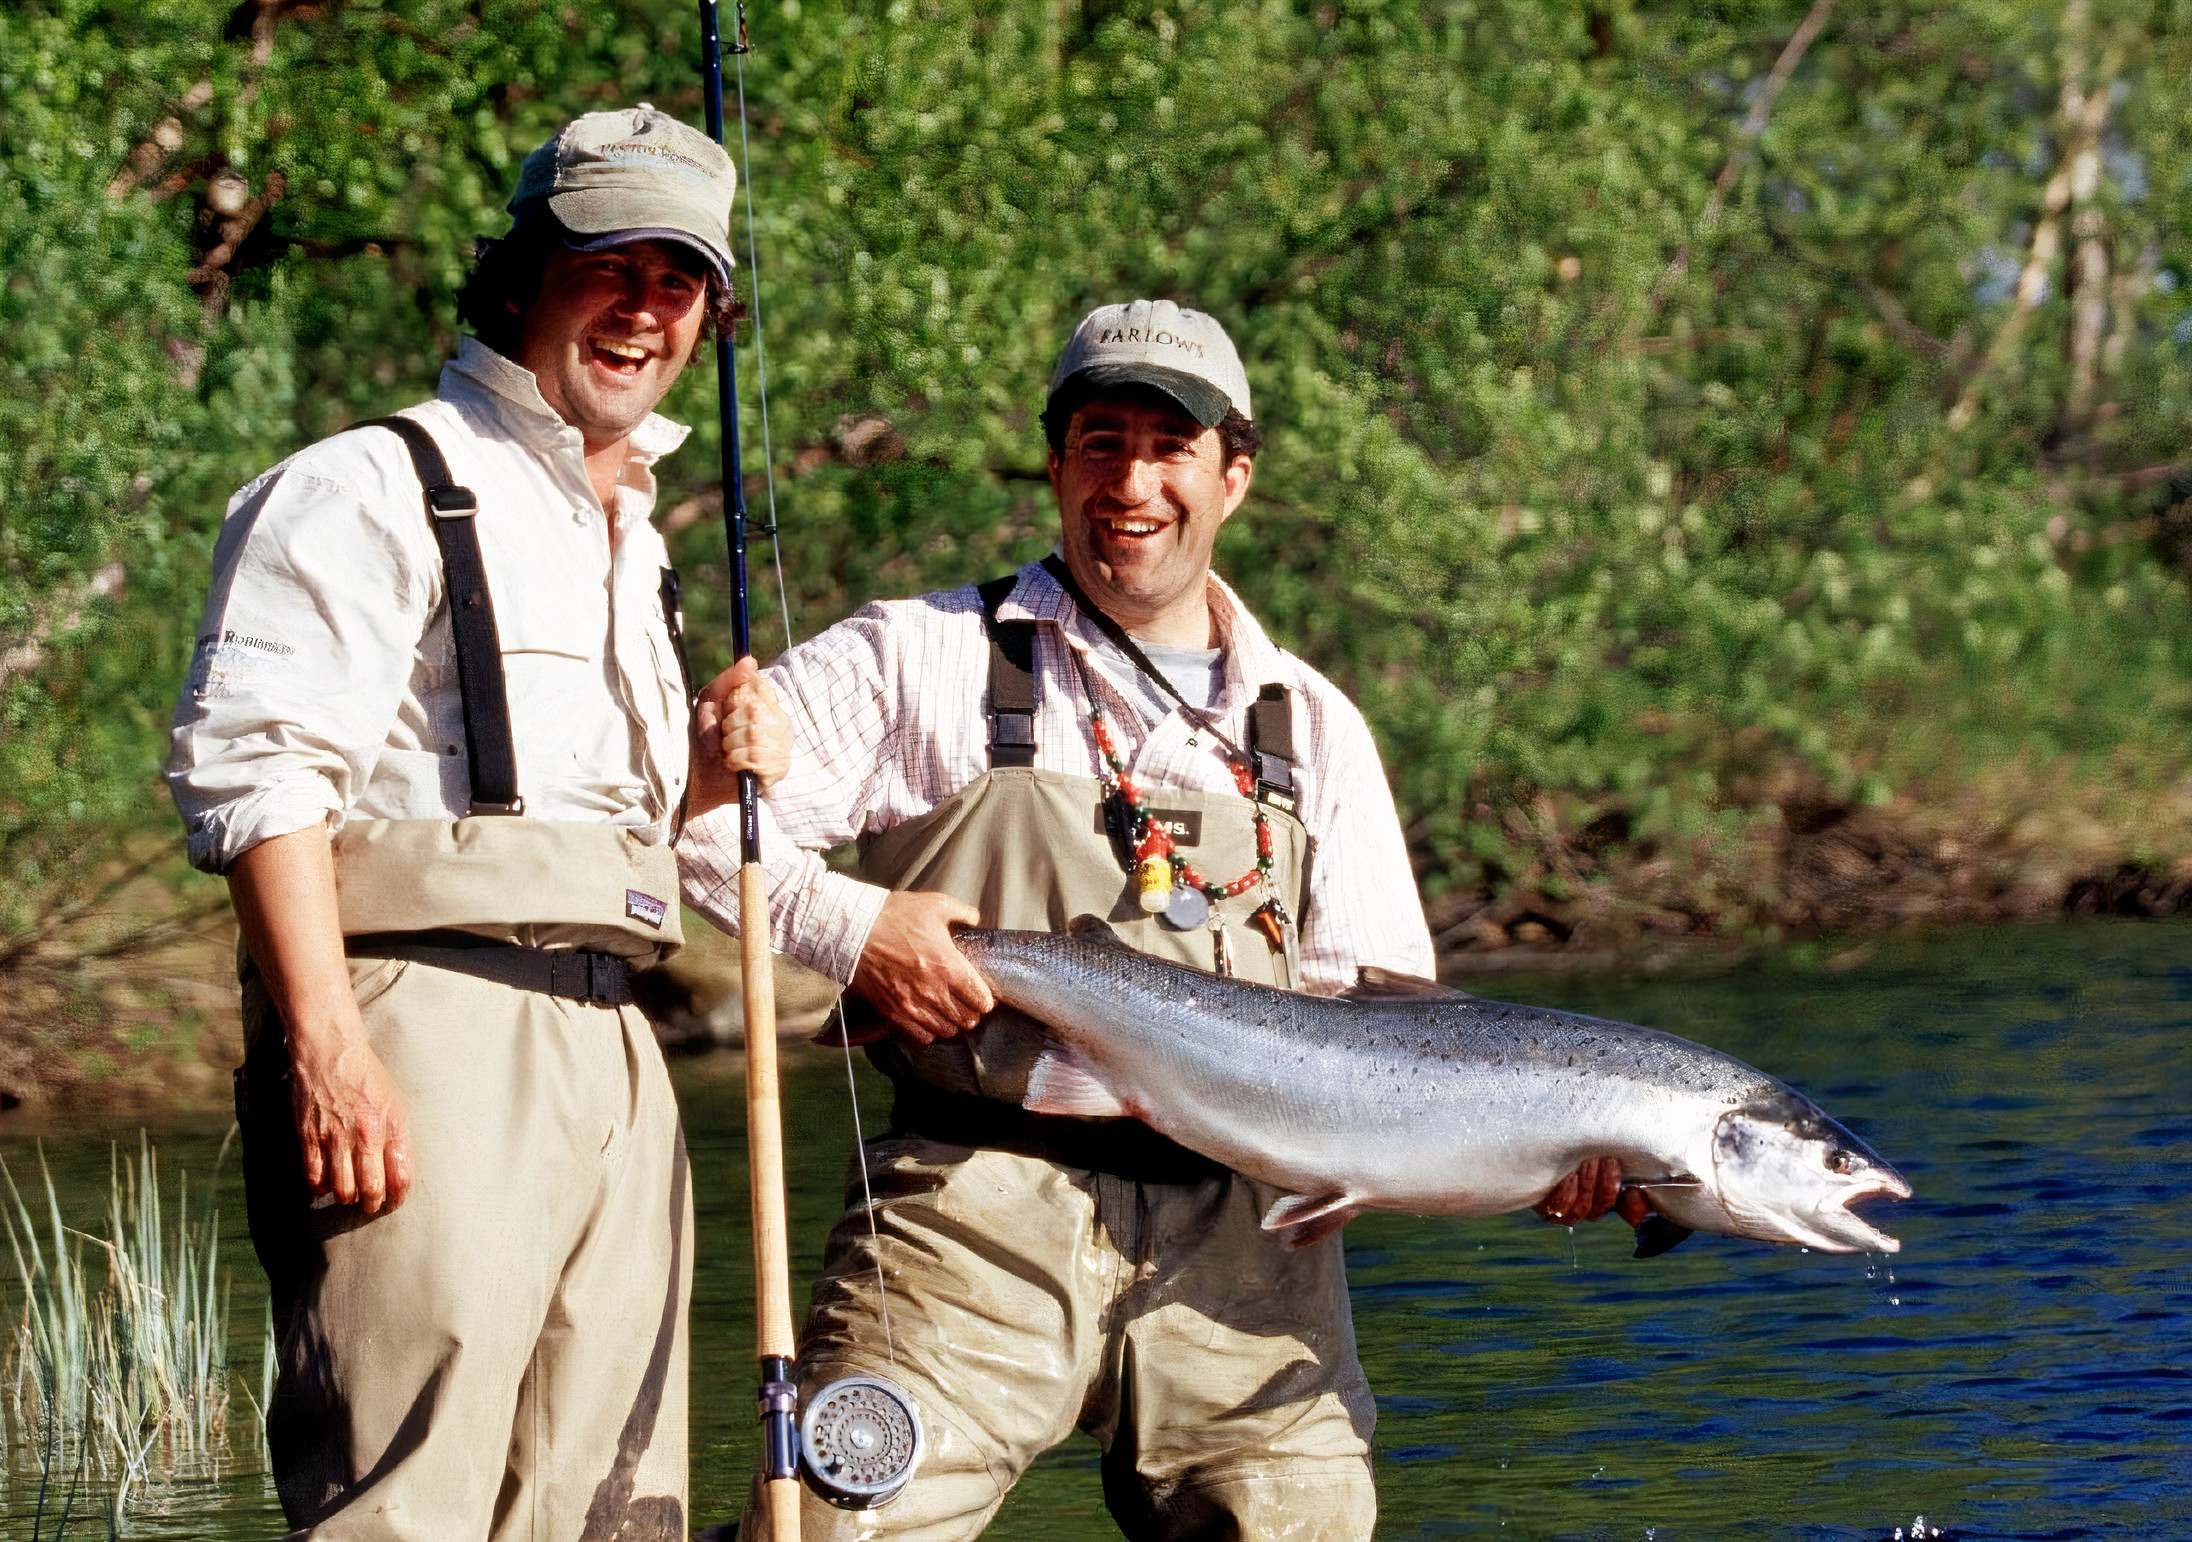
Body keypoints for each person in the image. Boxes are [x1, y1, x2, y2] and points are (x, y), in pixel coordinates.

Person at [679, 298, 1645, 1541]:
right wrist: (855, 931)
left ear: (1232, 476)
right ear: (1054, 463)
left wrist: (1539, 1161)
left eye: (1168, 446)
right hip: (974, 1206)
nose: (1130, 482)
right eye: (1098, 443)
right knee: (826, 1529)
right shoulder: (918, 657)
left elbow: (1401, 1037)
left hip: (1252, 1244)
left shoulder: (1313, 724)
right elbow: (707, 829)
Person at [167, 104, 789, 1540]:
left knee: (612, 1502)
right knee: (410, 1501)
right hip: (428, 1034)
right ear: (521, 278)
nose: (645, 309)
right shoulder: (366, 482)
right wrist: (330, 1051)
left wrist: (698, 777)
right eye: (608, 266)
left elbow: (575, 815)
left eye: (678, 279)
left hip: (619, 1044)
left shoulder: (636, 535)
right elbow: (257, 775)